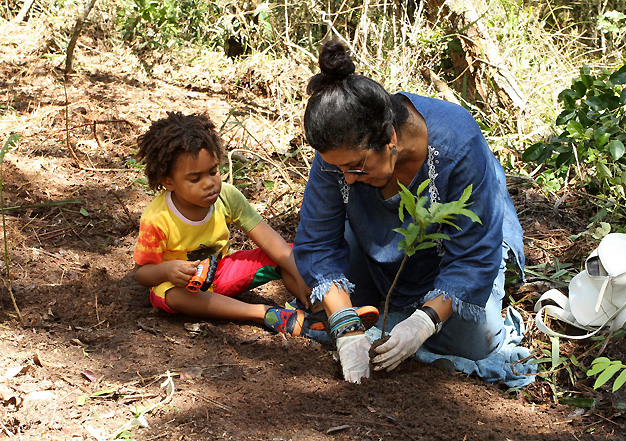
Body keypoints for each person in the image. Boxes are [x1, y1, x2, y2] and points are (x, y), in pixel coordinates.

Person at [293, 40, 526, 384]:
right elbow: (318, 242)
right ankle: (387, 315)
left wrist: (424, 323)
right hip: (376, 244)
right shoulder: (340, 150)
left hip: (458, 252)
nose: (346, 178)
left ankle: (408, 316)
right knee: (334, 306)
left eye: (356, 167)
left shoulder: (456, 142)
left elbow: (473, 255)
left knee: (475, 340)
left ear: (389, 137)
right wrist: (345, 325)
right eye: (339, 168)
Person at [133, 111, 317, 335]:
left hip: (220, 273)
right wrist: (167, 270)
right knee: (172, 295)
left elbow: (269, 239)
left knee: (288, 255)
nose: (209, 183)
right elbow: (142, 275)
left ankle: (317, 306)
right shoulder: (157, 218)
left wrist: (298, 273)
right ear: (168, 181)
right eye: (195, 179)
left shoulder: (227, 196)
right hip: (182, 287)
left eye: (213, 172)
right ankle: (262, 313)